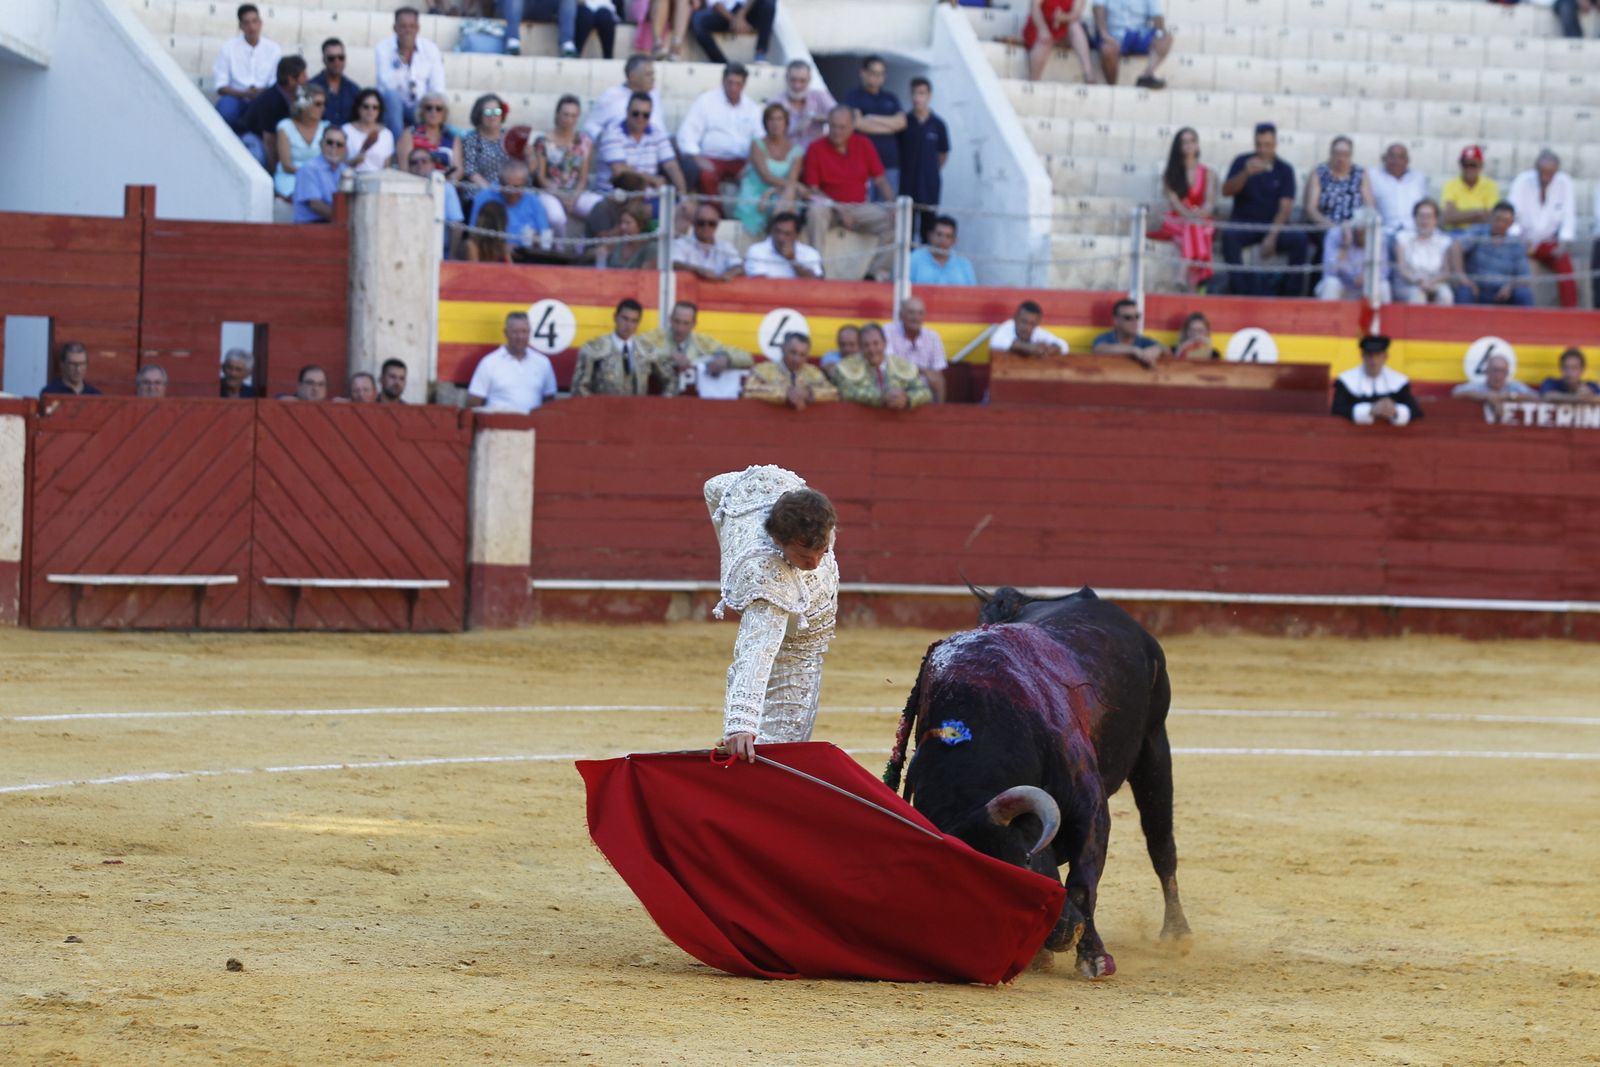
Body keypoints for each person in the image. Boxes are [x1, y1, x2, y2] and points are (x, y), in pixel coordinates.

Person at [706, 465, 839, 762]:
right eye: (805, 557)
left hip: (806, 621)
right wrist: (741, 723)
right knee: (783, 748)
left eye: (822, 551)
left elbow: (715, 487)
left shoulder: (766, 492)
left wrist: (728, 545)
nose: (815, 563)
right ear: (779, 541)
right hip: (799, 645)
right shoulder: (768, 577)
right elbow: (756, 650)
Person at [801, 107, 896, 282]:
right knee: (815, 210)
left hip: (859, 207)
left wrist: (892, 204)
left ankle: (875, 275)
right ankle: (817, 269)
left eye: (842, 127)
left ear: (852, 126)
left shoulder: (864, 143)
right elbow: (813, 189)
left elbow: (880, 179)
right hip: (829, 208)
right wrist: (838, 209)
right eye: (833, 126)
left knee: (896, 221)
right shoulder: (815, 148)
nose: (836, 131)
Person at [1220, 122, 1307, 298]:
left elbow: (1285, 206)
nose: (1262, 150)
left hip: (1272, 225)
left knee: (1300, 240)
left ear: (1275, 144)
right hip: (1245, 223)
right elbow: (1226, 191)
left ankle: (1290, 296)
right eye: (1259, 144)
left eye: (1267, 145)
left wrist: (1272, 236)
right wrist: (1245, 173)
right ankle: (1241, 294)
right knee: (1228, 236)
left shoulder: (1285, 169)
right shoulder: (1242, 162)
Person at [677, 63, 763, 199]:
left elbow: (759, 140)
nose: (733, 88)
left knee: (757, 175)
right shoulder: (706, 101)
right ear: (723, 81)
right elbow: (687, 133)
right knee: (706, 176)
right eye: (730, 83)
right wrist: (698, 158)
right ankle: (715, 213)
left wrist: (751, 164)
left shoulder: (752, 108)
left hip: (742, 161)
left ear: (745, 84)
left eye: (738, 84)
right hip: (712, 159)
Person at [1507, 150, 1579, 309]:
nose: (1545, 178)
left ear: (1556, 172)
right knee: (1515, 268)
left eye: (1550, 174)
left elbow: (1569, 217)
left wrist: (1563, 244)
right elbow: (1512, 216)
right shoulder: (1522, 182)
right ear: (1536, 169)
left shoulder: (1564, 183)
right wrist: (1520, 242)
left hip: (1549, 242)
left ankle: (1570, 311)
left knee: (1566, 269)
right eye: (1542, 173)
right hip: (1524, 240)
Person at [636, 301, 754, 397]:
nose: (680, 328)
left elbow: (747, 356)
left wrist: (727, 358)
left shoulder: (703, 342)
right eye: (676, 321)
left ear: (693, 324)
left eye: (686, 323)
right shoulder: (655, 337)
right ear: (670, 319)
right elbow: (632, 351)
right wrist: (668, 354)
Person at [1150, 127, 1216, 290]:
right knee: (1195, 230)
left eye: (1192, 141)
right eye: (1184, 142)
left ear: (1198, 145)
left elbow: (1209, 203)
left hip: (1199, 219)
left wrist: (1199, 214)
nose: (1189, 145)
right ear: (1178, 147)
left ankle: (1182, 274)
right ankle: (1197, 282)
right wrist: (1191, 216)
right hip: (1176, 219)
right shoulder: (1170, 174)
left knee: (1192, 231)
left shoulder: (1209, 173)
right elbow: (1175, 203)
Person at [374, 6, 447, 144]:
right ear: (395, 28)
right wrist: (403, 59)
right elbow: (387, 84)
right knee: (392, 96)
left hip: (420, 103)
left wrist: (430, 105)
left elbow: (438, 86)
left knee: (435, 104)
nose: (408, 31)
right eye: (403, 26)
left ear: (418, 28)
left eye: (412, 26)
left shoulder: (430, 49)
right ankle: (399, 146)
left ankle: (427, 147)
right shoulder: (382, 48)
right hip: (393, 105)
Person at [532, 95, 601, 239]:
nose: (569, 120)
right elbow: (541, 177)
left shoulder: (584, 142)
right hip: (550, 191)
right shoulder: (543, 140)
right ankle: (560, 251)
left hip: (575, 192)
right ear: (557, 114)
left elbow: (583, 178)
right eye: (566, 114)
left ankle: (583, 247)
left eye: (574, 115)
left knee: (599, 207)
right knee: (557, 218)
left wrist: (574, 196)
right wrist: (560, 195)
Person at [594, 93, 687, 199]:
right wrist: (652, 179)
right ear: (627, 112)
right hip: (614, 196)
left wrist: (683, 196)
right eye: (635, 113)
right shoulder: (612, 133)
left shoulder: (657, 133)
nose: (640, 118)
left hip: (646, 196)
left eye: (645, 115)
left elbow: (671, 166)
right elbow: (620, 171)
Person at [572, 299, 668, 396]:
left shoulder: (647, 350)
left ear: (638, 323)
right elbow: (579, 387)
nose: (628, 325)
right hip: (605, 409)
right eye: (625, 318)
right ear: (615, 317)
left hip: (637, 409)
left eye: (634, 321)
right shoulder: (593, 348)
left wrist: (661, 406)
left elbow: (670, 380)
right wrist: (595, 409)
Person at [467, 312, 559, 412]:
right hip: (497, 426)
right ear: (506, 333)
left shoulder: (543, 363)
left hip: (532, 426)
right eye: (515, 332)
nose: (520, 337)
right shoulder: (489, 363)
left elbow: (549, 402)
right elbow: (474, 403)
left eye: (524, 332)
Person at [734, 103, 803, 238]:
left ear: (786, 123)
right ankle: (778, 235)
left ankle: (775, 231)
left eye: (779, 119)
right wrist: (768, 193)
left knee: (789, 193)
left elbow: (791, 181)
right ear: (765, 123)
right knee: (789, 195)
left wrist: (770, 192)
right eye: (771, 119)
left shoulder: (796, 151)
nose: (775, 123)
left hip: (779, 193)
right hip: (756, 191)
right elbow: (765, 176)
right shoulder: (757, 144)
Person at [843, 56, 906, 200]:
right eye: (873, 72)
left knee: (888, 209)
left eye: (881, 73)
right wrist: (890, 126)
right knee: (865, 208)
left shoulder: (891, 98)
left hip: (890, 163)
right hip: (863, 163)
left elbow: (902, 123)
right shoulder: (853, 96)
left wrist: (873, 118)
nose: (877, 77)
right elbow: (857, 123)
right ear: (863, 72)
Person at [1451, 202, 1533, 307]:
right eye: (1497, 219)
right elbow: (1456, 247)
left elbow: (1524, 277)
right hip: (1476, 289)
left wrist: (1510, 287)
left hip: (1503, 294)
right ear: (1491, 217)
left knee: (1523, 294)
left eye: (1505, 221)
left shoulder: (1515, 244)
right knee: (1464, 292)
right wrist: (1462, 278)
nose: (1500, 224)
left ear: (1511, 223)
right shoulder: (1478, 232)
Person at [213, 4, 282, 130]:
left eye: (255, 21)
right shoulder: (228, 48)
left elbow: (275, 83)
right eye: (247, 23)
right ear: (240, 26)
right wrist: (245, 94)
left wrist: (259, 93)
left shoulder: (273, 49)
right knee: (225, 110)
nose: (252, 27)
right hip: (235, 97)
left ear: (260, 23)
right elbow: (221, 86)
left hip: (263, 97)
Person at [834, 323, 934, 409]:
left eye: (876, 343)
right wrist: (881, 398)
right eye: (866, 345)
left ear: (884, 344)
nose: (872, 350)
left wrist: (907, 398)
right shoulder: (847, 366)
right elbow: (846, 391)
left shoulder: (901, 365)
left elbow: (925, 391)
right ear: (860, 347)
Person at [898, 78, 950, 242]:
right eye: (914, 93)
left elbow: (943, 154)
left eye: (921, 93)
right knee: (906, 233)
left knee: (929, 230)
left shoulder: (938, 124)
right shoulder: (904, 122)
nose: (917, 97)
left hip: (929, 187)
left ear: (929, 95)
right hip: (907, 186)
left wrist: (930, 171)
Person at [1331, 335, 1421, 426]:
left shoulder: (1399, 381)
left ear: (1385, 357)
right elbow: (1337, 410)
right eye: (1369, 355)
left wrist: (1395, 410)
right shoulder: (1346, 380)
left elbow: (1415, 411)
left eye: (1378, 355)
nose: (1373, 361)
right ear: (1362, 356)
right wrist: (1370, 410)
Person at [470, 159, 552, 257]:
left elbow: (545, 236)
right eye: (507, 187)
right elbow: (474, 236)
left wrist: (536, 240)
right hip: (492, 257)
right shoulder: (485, 197)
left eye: (517, 187)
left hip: (526, 257)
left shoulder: (533, 201)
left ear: (525, 183)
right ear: (500, 182)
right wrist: (501, 248)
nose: (512, 192)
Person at [238, 55, 307, 169]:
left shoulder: (295, 96)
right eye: (303, 75)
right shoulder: (271, 101)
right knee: (258, 157)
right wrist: (275, 172)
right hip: (253, 136)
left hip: (274, 137)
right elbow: (269, 140)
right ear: (290, 79)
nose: (307, 79)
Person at [743, 332, 839, 410]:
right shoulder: (763, 370)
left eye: (802, 355)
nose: (797, 359)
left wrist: (808, 393)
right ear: (782, 349)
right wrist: (785, 393)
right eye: (793, 352)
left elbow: (834, 393)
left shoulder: (814, 372)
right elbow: (748, 391)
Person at [1092, 0, 1174, 90]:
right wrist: (1105, 35)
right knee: (1107, 49)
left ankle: (1146, 76)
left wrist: (1160, 32)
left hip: (1139, 35)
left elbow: (1157, 16)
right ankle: (1112, 88)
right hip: (1113, 34)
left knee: (1166, 38)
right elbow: (1098, 10)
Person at [1304, 136, 1375, 233]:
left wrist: (1356, 227)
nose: (1341, 158)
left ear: (1351, 155)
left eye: (1345, 154)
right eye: (1337, 153)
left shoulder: (1360, 173)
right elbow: (1311, 209)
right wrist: (1333, 227)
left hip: (1355, 229)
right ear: (1331, 153)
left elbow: (1369, 207)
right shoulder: (1319, 172)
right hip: (1325, 227)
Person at [883, 296, 947, 403]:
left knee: (939, 380)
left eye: (920, 313)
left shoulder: (932, 336)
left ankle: (938, 416)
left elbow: (937, 371)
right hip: (895, 381)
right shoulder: (888, 331)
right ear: (901, 315)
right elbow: (891, 364)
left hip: (923, 385)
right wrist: (922, 370)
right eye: (911, 313)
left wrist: (930, 376)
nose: (916, 317)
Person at [1315, 213, 1390, 303]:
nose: (1368, 238)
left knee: (1383, 286)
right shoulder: (1335, 234)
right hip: (1343, 286)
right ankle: (1328, 317)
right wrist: (1346, 245)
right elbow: (1330, 271)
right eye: (1363, 233)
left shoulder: (1378, 237)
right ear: (1357, 230)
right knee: (1331, 283)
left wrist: (1368, 276)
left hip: (1365, 288)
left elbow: (1384, 271)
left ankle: (1381, 317)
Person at [584, 56, 660, 143]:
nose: (653, 78)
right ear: (632, 76)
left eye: (653, 74)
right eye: (648, 74)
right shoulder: (611, 95)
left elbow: (660, 129)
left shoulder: (654, 95)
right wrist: (607, 140)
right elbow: (590, 126)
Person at [405, 146, 464, 257]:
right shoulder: (402, 189)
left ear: (433, 164)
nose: (419, 165)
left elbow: (456, 225)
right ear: (408, 168)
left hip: (441, 252)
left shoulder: (446, 188)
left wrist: (451, 258)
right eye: (414, 162)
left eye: (424, 161)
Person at [1394, 199, 1454, 305]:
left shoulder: (1443, 240)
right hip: (1409, 284)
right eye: (1421, 216)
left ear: (1436, 220)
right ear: (1414, 218)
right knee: (1418, 296)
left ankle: (1441, 322)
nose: (1424, 221)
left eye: (1429, 217)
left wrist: (1431, 282)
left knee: (1446, 295)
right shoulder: (1403, 237)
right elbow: (1401, 269)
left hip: (1435, 282)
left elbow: (1446, 272)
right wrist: (1417, 280)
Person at [274, 86, 328, 202]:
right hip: (291, 177)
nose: (322, 108)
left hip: (319, 178)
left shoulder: (326, 128)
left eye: (324, 104)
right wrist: (309, 175)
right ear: (304, 105)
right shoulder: (285, 127)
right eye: (317, 104)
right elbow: (286, 165)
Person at [397, 92, 462, 184]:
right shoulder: (410, 134)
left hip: (445, 184)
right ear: (422, 111)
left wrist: (442, 182)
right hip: (416, 184)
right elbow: (404, 168)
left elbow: (458, 169)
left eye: (438, 109)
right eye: (429, 108)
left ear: (444, 113)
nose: (433, 112)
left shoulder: (452, 138)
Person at [1024, 0, 1094, 84]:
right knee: (1044, 41)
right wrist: (1042, 29)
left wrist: (1061, 17)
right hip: (1041, 24)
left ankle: (1089, 76)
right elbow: (1034, 8)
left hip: (1062, 27)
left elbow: (1076, 14)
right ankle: (1034, 82)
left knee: (1075, 27)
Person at [1451, 352, 1534, 423]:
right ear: (1487, 371)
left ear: (1507, 373)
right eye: (1494, 370)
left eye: (1502, 371)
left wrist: (1509, 396)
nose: (1497, 375)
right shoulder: (1478, 386)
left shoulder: (1514, 387)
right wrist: (1486, 396)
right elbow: (1456, 393)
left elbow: (1536, 397)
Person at [770, 60, 835, 147]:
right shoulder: (775, 103)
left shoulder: (820, 96)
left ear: (809, 80)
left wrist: (816, 117)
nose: (797, 86)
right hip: (788, 155)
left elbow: (840, 117)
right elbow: (769, 135)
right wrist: (796, 128)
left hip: (815, 155)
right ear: (786, 78)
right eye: (793, 80)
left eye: (802, 81)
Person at [690, 0, 776, 66]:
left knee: (769, 2)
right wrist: (734, 20)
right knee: (698, 20)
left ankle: (760, 54)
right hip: (724, 14)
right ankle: (722, 63)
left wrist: (741, 15)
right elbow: (715, 3)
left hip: (748, 10)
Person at [292, 125, 348, 224]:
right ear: (321, 144)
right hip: (311, 228)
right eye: (330, 142)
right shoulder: (309, 169)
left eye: (339, 144)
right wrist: (344, 219)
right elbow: (315, 205)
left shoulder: (345, 170)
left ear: (344, 149)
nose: (334, 147)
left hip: (334, 225)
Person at [674, 203, 744, 282]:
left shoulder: (726, 246)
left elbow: (739, 266)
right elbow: (675, 264)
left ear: (717, 225)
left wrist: (729, 274)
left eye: (711, 223)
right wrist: (698, 270)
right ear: (693, 223)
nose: (706, 227)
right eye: (701, 223)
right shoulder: (681, 244)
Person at [1370, 142, 1427, 238]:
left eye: (1400, 157)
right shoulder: (1373, 176)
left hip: (1413, 232)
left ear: (1407, 160)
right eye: (1392, 156)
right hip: (1385, 232)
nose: (1396, 161)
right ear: (1384, 158)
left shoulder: (1418, 178)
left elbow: (1425, 206)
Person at [744, 212, 823, 279]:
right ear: (771, 230)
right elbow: (760, 283)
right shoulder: (757, 250)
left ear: (797, 235)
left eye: (787, 234)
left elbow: (816, 284)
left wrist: (793, 261)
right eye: (777, 231)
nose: (781, 237)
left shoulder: (809, 252)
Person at [1441, 145, 1500, 235]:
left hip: (1481, 233)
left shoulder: (1490, 186)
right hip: (1455, 232)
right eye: (1465, 165)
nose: (1469, 169)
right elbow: (1448, 217)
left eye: (1473, 165)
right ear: (1460, 166)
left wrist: (1460, 216)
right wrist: (1478, 213)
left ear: (1480, 166)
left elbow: (1491, 217)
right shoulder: (1451, 185)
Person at [1092, 298, 1169, 367]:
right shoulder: (1105, 338)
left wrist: (1159, 349)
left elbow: (1168, 351)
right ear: (1116, 320)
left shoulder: (1143, 341)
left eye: (1137, 317)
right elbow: (1099, 349)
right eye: (1128, 318)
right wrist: (1134, 351)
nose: (1134, 321)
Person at [462, 94, 512, 195]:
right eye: (487, 112)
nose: (492, 116)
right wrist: (492, 190)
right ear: (479, 115)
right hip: (480, 190)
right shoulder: (471, 139)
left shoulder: (510, 136)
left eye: (497, 111)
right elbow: (470, 171)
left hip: (509, 190)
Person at [908, 215, 977, 287]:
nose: (942, 240)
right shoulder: (915, 259)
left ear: (954, 241)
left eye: (948, 236)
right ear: (930, 236)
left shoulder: (963, 264)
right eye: (939, 234)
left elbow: (973, 293)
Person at [989, 300, 1068, 359]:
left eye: (1032, 324)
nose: (1027, 327)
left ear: (1037, 324)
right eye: (1024, 321)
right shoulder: (1008, 326)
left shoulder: (1037, 332)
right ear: (1015, 318)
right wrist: (1030, 348)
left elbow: (1064, 345)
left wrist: (1052, 349)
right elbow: (995, 342)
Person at [310, 37, 361, 128]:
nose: (337, 62)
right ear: (324, 60)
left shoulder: (354, 90)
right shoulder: (310, 87)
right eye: (331, 58)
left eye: (341, 57)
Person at [341, 89, 394, 173]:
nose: (370, 111)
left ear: (379, 111)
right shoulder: (346, 130)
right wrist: (353, 162)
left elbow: (387, 167)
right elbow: (338, 164)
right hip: (351, 180)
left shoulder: (387, 134)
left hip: (377, 181)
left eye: (375, 107)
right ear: (358, 108)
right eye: (366, 106)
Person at [597, 199, 657, 270]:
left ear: (640, 225)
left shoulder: (650, 248)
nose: (623, 227)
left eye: (628, 223)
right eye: (622, 223)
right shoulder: (616, 244)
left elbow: (646, 277)